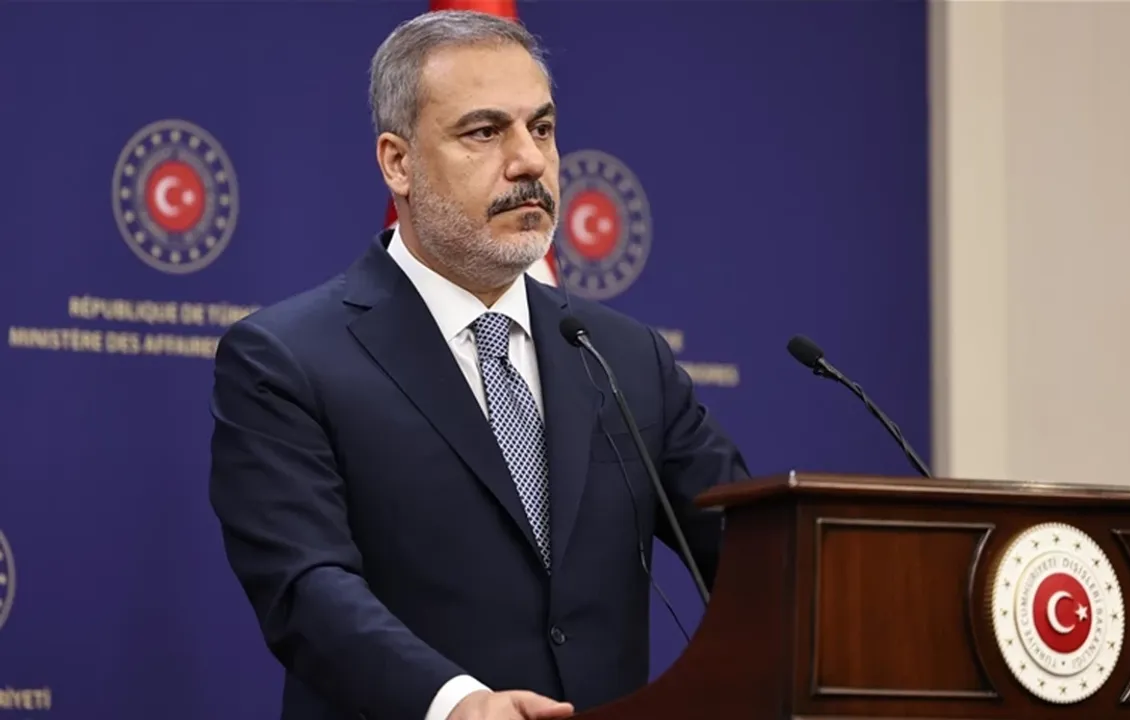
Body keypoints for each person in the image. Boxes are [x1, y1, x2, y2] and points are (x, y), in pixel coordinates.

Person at [207, 9, 750, 720]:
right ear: (398, 163)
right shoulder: (287, 358)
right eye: (485, 132)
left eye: (542, 129)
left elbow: (754, 556)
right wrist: (456, 703)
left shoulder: (626, 355)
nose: (529, 162)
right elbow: (305, 587)